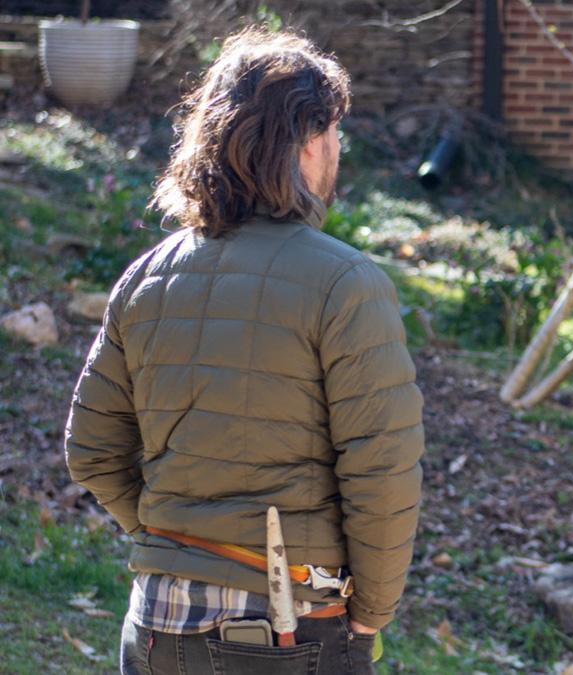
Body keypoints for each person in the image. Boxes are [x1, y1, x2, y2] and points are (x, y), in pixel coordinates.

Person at [64, 28, 424, 675]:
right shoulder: (346, 284)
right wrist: (370, 612)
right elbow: (384, 470)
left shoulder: (146, 275)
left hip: (153, 628)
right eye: (334, 133)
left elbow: (90, 448)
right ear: (308, 142)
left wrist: (175, 543)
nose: (337, 150)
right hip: (289, 632)